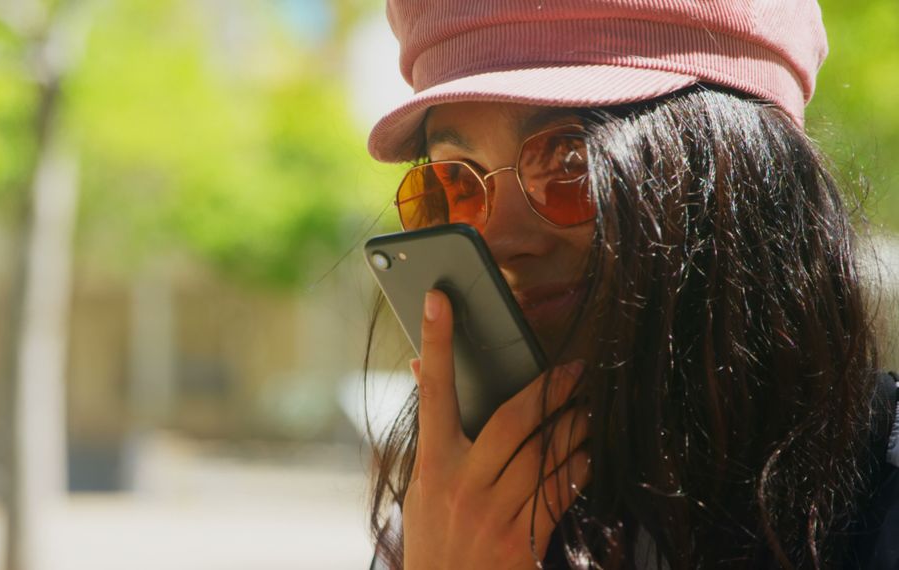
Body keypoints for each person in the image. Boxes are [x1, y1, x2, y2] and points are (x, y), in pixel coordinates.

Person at [362, 0, 899, 568]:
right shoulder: (451, 522)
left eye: (573, 162)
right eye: (455, 180)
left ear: (744, 172)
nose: (500, 240)